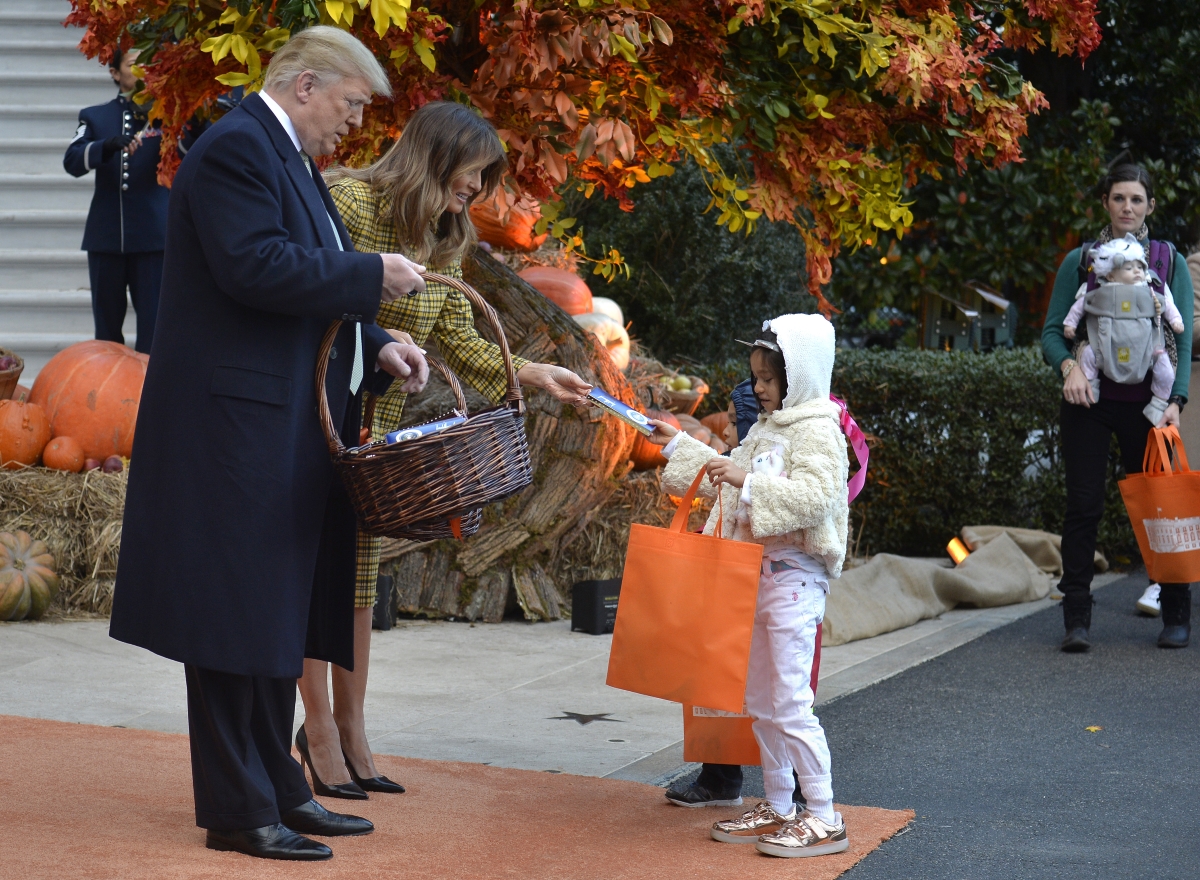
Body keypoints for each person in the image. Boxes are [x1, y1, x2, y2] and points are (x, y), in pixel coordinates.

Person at [108, 27, 432, 861]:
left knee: (268, 621)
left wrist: (375, 335)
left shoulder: (282, 155)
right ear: (305, 84)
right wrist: (373, 277)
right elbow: (256, 266)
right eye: (350, 105)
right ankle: (237, 810)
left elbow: (305, 265)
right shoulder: (234, 151)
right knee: (230, 623)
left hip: (271, 426)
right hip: (231, 431)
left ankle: (280, 788)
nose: (351, 125)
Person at [293, 100, 593, 797]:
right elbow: (313, 296)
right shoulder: (349, 200)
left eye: (485, 179)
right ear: (434, 154)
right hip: (321, 412)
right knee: (315, 578)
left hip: (381, 431)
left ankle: (354, 726)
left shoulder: (443, 232)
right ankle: (319, 731)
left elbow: (457, 326)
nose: (477, 189)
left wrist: (530, 372)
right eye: (472, 172)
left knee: (360, 581)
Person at [643, 315, 851, 859]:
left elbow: (819, 496)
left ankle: (824, 813)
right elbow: (729, 473)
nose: (757, 387)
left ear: (799, 375)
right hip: (753, 578)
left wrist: (750, 481)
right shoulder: (766, 427)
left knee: (789, 700)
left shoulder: (819, 428)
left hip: (795, 581)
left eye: (768, 378)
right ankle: (780, 803)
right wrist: (678, 445)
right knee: (760, 698)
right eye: (756, 375)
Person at [1041, 163, 1193, 651]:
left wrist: (1176, 400)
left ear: (1149, 205)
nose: (1127, 207)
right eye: (1118, 198)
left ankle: (1175, 614)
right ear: (1105, 202)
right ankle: (1077, 620)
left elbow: (1182, 341)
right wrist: (1070, 370)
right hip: (1091, 402)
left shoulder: (1168, 261)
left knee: (1161, 509)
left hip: (1149, 408)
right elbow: (1051, 334)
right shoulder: (1081, 260)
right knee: (1083, 508)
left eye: (1136, 199)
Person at [665, 377, 805, 810]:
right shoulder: (750, 450)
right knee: (714, 678)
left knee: (779, 690)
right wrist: (676, 444)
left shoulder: (793, 444)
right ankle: (720, 775)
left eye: (732, 421)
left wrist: (740, 476)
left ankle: (802, 792)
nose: (723, 430)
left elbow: (802, 501)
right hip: (731, 575)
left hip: (773, 582)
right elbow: (720, 471)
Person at [63, 48, 168, 353]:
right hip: (106, 237)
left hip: (153, 239)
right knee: (106, 333)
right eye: (135, 64)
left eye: (150, 62)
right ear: (115, 73)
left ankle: (146, 399)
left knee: (153, 331)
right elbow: (72, 161)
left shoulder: (167, 115)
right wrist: (105, 146)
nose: (144, 69)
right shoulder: (95, 116)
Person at [1062, 234, 1184, 425]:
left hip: (1147, 352)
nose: (1136, 271)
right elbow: (1081, 305)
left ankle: (1158, 403)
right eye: (1128, 268)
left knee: (1165, 371)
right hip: (1104, 348)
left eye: (1139, 267)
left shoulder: (1150, 288)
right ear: (1110, 274)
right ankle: (1091, 386)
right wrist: (1070, 324)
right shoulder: (1099, 289)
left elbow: (1166, 304)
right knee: (1087, 354)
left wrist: (1176, 321)